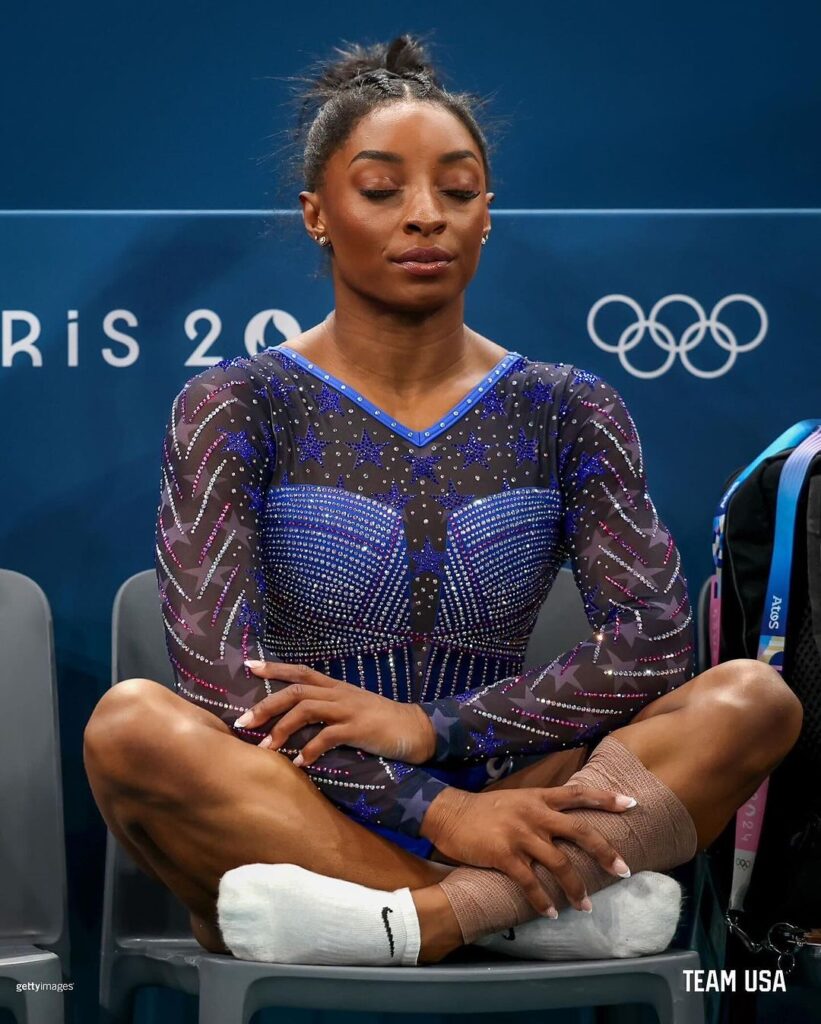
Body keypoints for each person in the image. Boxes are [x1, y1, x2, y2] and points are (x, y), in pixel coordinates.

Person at [83, 33, 803, 968]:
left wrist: (436, 731)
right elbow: (223, 684)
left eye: (456, 191)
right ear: (316, 213)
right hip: (308, 800)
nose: (424, 216)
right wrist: (440, 811)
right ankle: (525, 913)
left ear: (487, 215)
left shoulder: (566, 407)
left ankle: (406, 925)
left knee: (752, 699)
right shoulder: (234, 405)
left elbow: (653, 648)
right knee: (132, 726)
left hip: (522, 789)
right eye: (381, 190)